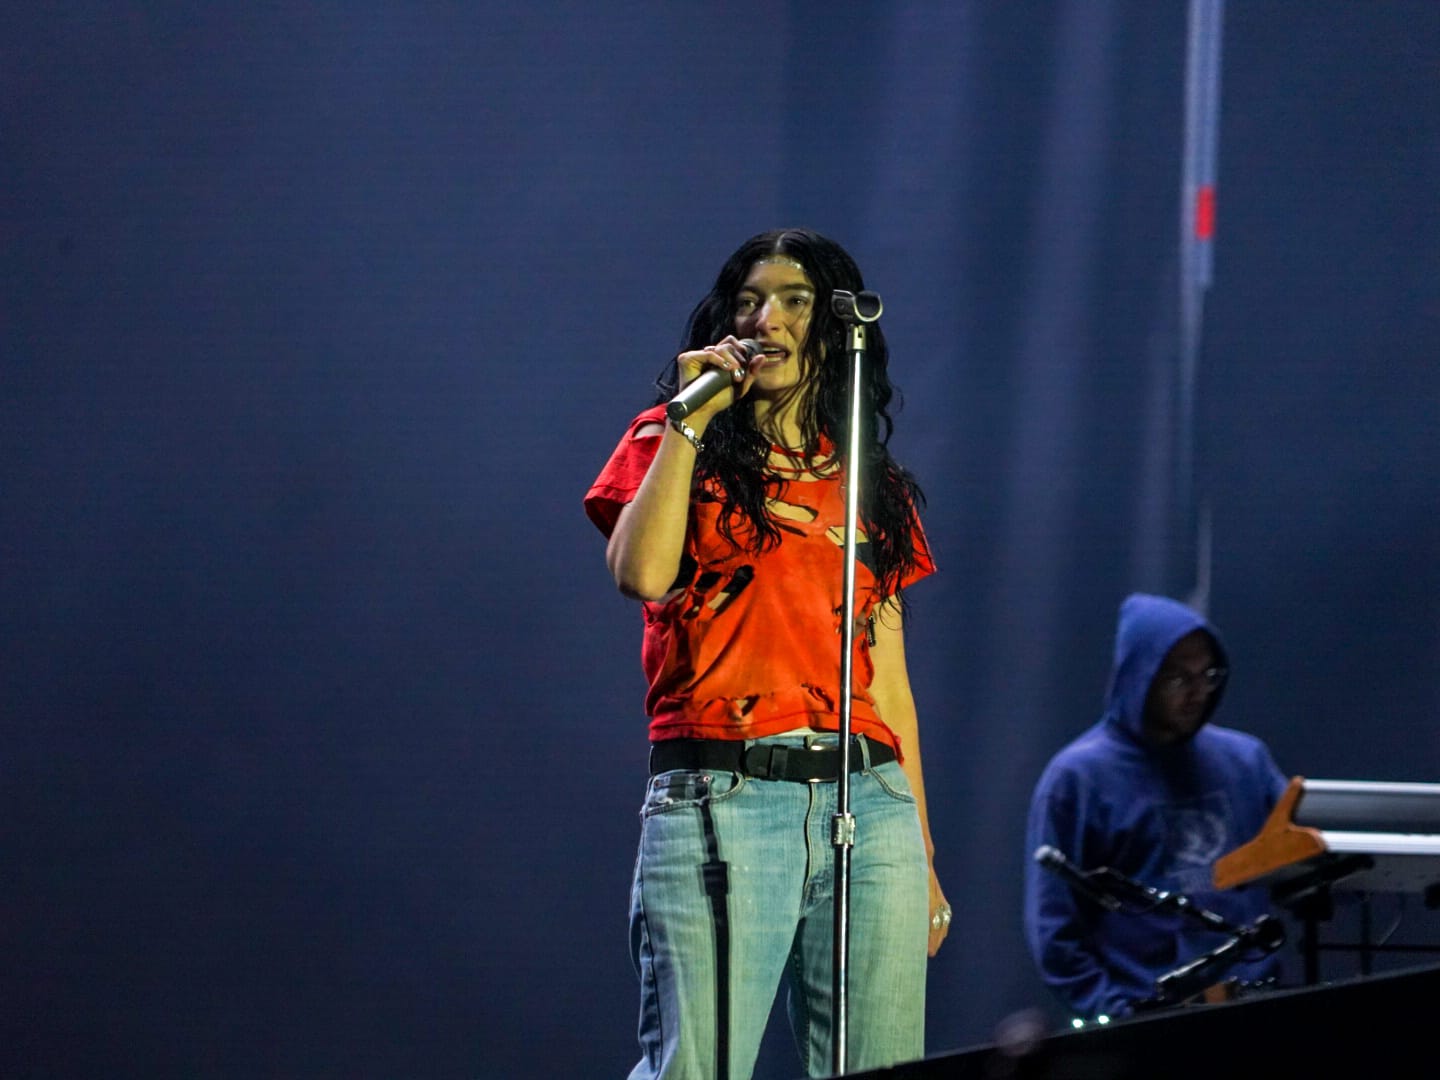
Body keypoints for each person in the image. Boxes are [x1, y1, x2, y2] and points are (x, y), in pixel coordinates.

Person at [584, 228, 948, 1080]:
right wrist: (689, 417)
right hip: (726, 793)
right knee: (696, 1071)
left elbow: (888, 683)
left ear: (836, 327)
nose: (767, 318)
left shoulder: (869, 482)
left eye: (794, 301)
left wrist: (923, 856)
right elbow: (639, 573)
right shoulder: (673, 439)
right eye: (749, 301)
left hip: (870, 804)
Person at [1023, 592, 1289, 1022]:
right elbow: (1055, 933)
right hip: (1146, 1023)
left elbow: (1306, 867)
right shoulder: (1077, 779)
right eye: (1179, 678)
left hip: (1256, 1011)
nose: (1197, 693)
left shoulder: (1246, 762)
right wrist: (1123, 1016)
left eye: (1208, 676)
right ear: (1138, 676)